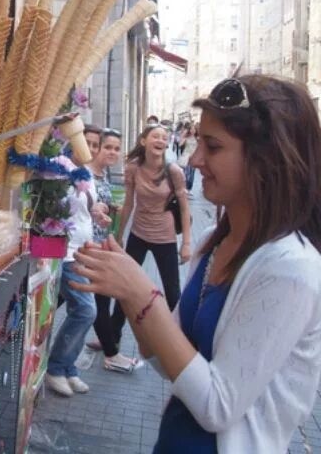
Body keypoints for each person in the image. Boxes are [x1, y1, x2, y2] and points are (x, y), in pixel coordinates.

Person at [72, 75, 321, 453]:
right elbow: (171, 366)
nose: (194, 159)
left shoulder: (292, 268)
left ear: (267, 159)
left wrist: (141, 292)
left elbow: (217, 407)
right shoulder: (215, 243)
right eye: (199, 142)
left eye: (214, 146)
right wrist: (127, 291)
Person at [103, 124, 190, 352]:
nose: (160, 140)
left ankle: (180, 345)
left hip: (166, 237)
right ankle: (113, 337)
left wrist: (187, 244)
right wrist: (119, 235)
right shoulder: (133, 168)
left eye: (164, 137)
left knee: (172, 293)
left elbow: (184, 208)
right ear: (144, 141)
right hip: (138, 234)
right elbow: (129, 202)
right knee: (125, 286)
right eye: (155, 136)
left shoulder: (174, 172)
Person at [84, 129, 141, 372]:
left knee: (93, 300)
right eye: (107, 147)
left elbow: (97, 206)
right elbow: (77, 209)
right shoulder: (85, 174)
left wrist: (108, 207)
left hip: (100, 247)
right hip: (87, 248)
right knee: (92, 301)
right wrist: (97, 211)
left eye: (117, 149)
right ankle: (111, 353)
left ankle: (109, 350)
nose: (112, 152)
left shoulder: (102, 173)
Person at [45, 170, 98, 397]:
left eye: (100, 144)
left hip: (82, 252)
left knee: (83, 311)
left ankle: (68, 368)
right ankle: (56, 367)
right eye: (92, 144)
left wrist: (98, 213)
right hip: (65, 254)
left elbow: (83, 214)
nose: (94, 149)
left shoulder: (90, 175)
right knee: (86, 311)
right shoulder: (58, 171)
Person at [177, 123, 198, 193]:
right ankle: (185, 188)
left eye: (194, 129)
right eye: (191, 129)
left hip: (194, 157)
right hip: (186, 157)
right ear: (189, 130)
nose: (192, 130)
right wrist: (183, 135)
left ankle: (189, 189)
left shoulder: (197, 138)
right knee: (186, 173)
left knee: (192, 173)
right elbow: (180, 145)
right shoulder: (186, 138)